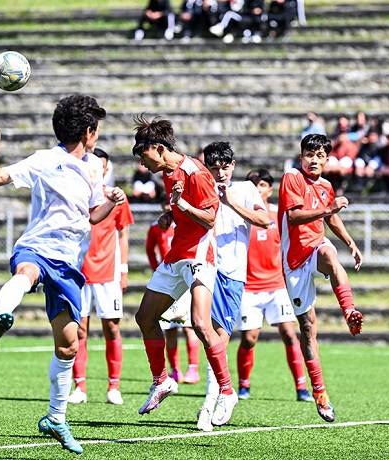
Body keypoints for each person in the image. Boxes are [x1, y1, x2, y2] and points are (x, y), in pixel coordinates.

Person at [0, 94, 126, 455]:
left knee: (69, 344)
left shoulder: (93, 168)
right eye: (97, 129)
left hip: (68, 263)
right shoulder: (45, 160)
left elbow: (92, 216)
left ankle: (56, 418)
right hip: (36, 246)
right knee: (27, 272)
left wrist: (113, 202)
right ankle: (0, 313)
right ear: (89, 132)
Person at [131, 116, 237, 429]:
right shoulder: (166, 172)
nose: (141, 163)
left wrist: (184, 207)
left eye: (143, 155)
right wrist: (169, 217)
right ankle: (161, 381)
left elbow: (208, 218)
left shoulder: (196, 172)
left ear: (158, 148)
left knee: (202, 325)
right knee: (145, 318)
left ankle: (227, 391)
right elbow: (180, 208)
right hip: (176, 254)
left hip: (200, 255)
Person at [278, 133, 364, 423]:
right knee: (307, 327)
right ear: (301, 156)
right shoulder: (292, 178)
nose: (314, 160)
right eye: (309, 155)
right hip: (293, 262)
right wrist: (329, 209)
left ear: (327, 159)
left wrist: (350, 241)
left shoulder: (326, 185)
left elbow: (330, 219)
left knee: (330, 255)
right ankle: (319, 391)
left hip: (316, 247)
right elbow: (295, 216)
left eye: (320, 156)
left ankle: (349, 310)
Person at [197, 141, 270, 432]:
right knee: (206, 336)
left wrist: (230, 203)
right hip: (204, 269)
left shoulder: (246, 190)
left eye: (224, 167)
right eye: (214, 168)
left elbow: (264, 220)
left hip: (232, 274)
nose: (220, 173)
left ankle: (220, 398)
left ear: (233, 165)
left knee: (219, 342)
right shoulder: (202, 187)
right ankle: (209, 404)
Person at [235, 169, 312, 402]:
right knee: (249, 338)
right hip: (248, 287)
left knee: (290, 334)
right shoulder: (239, 215)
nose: (258, 189)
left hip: (277, 286)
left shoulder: (278, 216)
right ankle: (244, 386)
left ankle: (301, 388)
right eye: (253, 185)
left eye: (262, 185)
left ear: (270, 189)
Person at [69, 148, 134, 406]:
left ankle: (114, 386)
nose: (99, 169)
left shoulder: (116, 198)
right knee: (79, 331)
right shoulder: (76, 194)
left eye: (102, 166)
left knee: (112, 328)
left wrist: (124, 270)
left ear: (106, 169)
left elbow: (123, 235)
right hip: (79, 273)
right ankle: (80, 387)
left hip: (108, 274)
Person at [146, 203, 202, 384]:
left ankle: (193, 369)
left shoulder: (186, 222)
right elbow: (149, 250)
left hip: (186, 278)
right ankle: (175, 370)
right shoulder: (156, 227)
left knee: (188, 326)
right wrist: (158, 270)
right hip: (168, 281)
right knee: (169, 330)